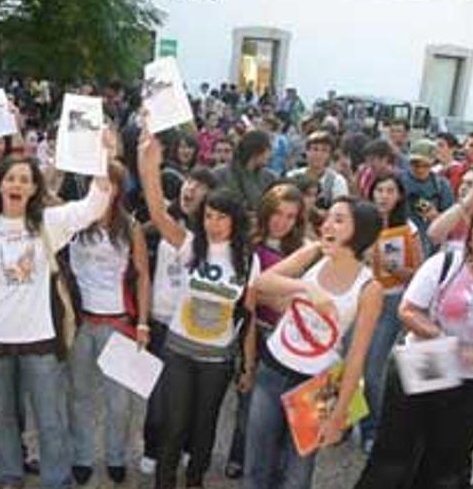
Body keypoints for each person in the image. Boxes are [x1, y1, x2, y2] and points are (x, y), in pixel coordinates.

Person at [0, 150, 112, 488]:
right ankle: (9, 475)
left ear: (35, 188)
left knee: (49, 417)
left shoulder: (48, 223)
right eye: (10, 178)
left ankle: (57, 478)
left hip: (39, 340)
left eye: (25, 179)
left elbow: (93, 206)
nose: (17, 185)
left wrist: (103, 156)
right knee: (0, 415)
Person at [355, 200, 473, 489]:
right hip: (427, 360)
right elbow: (408, 310)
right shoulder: (445, 263)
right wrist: (442, 340)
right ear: (471, 231)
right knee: (396, 451)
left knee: (448, 461)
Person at [139, 130, 258, 489]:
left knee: (203, 428)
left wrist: (248, 366)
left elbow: (249, 319)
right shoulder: (191, 246)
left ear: (234, 220)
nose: (213, 223)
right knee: (173, 427)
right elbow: (158, 215)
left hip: (217, 361)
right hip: (178, 351)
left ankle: (194, 481)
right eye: (209, 216)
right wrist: (149, 165)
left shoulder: (248, 260)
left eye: (221, 217)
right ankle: (164, 482)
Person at [246, 196, 383, 489]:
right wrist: (306, 287)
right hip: (272, 368)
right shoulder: (313, 253)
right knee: (257, 465)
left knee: (297, 476)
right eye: (328, 217)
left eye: (339, 219)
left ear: (360, 231)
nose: (327, 224)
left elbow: (357, 358)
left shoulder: (369, 288)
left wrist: (338, 415)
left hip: (319, 386)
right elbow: (261, 282)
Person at [68, 160, 151, 485]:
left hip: (119, 322)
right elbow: (45, 194)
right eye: (97, 181)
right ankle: (81, 455)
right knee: (79, 393)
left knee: (119, 400)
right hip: (81, 322)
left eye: (110, 182)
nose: (103, 188)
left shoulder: (130, 227)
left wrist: (142, 321)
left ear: (119, 188)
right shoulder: (75, 220)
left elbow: (143, 275)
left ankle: (116, 455)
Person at [224, 182, 308, 479]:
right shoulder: (248, 244)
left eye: (290, 216)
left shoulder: (302, 251)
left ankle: (275, 465)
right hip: (253, 333)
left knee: (283, 408)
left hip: (289, 337)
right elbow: (247, 293)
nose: (281, 222)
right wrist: (275, 297)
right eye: (277, 213)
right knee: (249, 402)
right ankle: (240, 455)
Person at [139, 165, 218, 475]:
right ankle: (151, 446)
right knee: (157, 394)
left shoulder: (214, 236)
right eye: (189, 182)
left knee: (189, 397)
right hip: (160, 320)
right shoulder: (166, 223)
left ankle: (185, 446)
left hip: (192, 328)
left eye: (200, 186)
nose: (191, 189)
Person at [359, 172, 424, 451]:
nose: (383, 196)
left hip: (389, 303)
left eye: (390, 191)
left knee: (373, 370)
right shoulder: (360, 221)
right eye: (379, 190)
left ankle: (374, 429)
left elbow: (420, 273)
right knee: (349, 362)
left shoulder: (407, 228)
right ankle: (350, 418)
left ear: (398, 196)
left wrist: (392, 267)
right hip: (358, 301)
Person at [400, 139, 455, 254]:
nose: (420, 169)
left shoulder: (441, 185)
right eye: (415, 164)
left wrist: (436, 216)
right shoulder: (398, 181)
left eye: (425, 165)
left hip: (429, 243)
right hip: (401, 239)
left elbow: (451, 219)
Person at [215, 129, 276, 211]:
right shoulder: (220, 174)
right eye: (269, 149)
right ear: (257, 151)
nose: (270, 154)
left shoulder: (269, 177)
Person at [287, 131, 348, 213]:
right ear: (307, 151)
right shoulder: (292, 176)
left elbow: (340, 211)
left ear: (329, 155)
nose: (319, 154)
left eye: (324, 150)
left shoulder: (337, 181)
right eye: (315, 149)